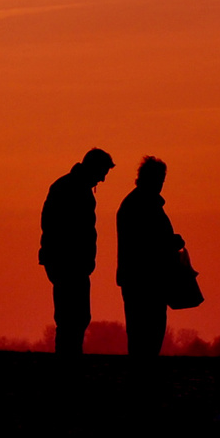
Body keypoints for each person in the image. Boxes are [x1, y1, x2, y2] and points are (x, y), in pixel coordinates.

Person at [40, 148, 115, 357]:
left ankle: (69, 359)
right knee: (72, 316)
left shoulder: (68, 187)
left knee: (74, 316)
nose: (102, 180)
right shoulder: (73, 189)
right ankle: (68, 360)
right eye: (102, 173)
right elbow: (58, 227)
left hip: (69, 263)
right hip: (69, 264)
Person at [117, 156, 180, 357]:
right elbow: (146, 243)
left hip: (138, 280)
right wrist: (172, 243)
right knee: (147, 335)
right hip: (146, 281)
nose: (161, 184)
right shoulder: (143, 205)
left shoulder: (134, 203)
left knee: (142, 335)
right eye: (159, 179)